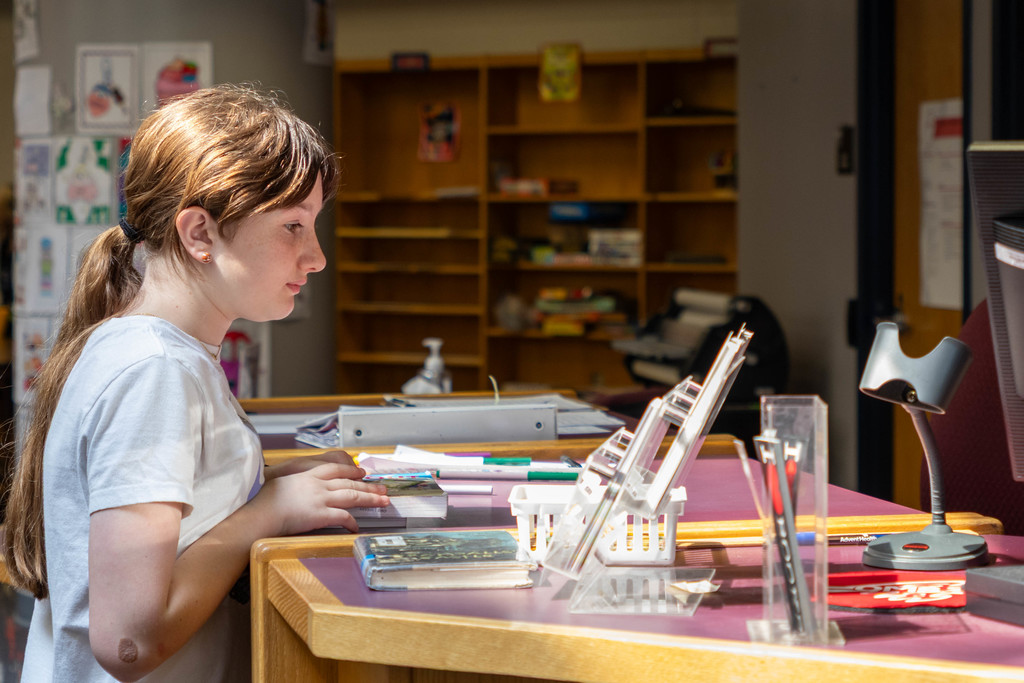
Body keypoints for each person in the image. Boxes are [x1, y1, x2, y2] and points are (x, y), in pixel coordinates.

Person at [0, 84, 390, 682]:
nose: (315, 257)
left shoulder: (156, 353)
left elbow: (183, 518)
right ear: (199, 233)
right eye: (293, 226)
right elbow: (130, 641)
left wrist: (268, 486)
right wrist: (268, 512)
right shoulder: (153, 372)